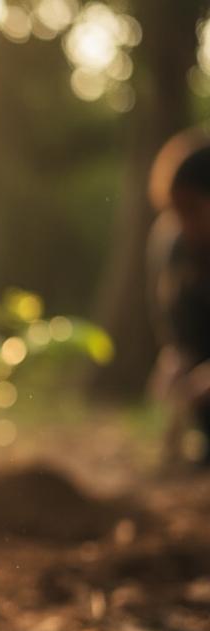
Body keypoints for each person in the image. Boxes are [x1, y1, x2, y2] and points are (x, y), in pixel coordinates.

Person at [149, 142, 210, 466]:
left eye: (193, 210)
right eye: (176, 213)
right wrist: (176, 360)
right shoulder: (177, 247)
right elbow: (181, 330)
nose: (184, 225)